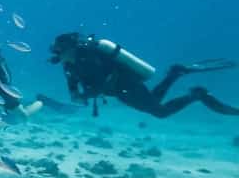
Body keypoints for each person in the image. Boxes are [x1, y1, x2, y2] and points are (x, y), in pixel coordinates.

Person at [49, 33, 238, 118]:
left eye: (59, 50)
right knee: (154, 103)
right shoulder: (70, 64)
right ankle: (175, 74)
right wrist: (75, 93)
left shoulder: (87, 58)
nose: (56, 54)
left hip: (125, 84)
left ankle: (196, 94)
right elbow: (72, 82)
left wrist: (84, 96)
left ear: (69, 48)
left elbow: (97, 84)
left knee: (159, 111)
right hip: (120, 89)